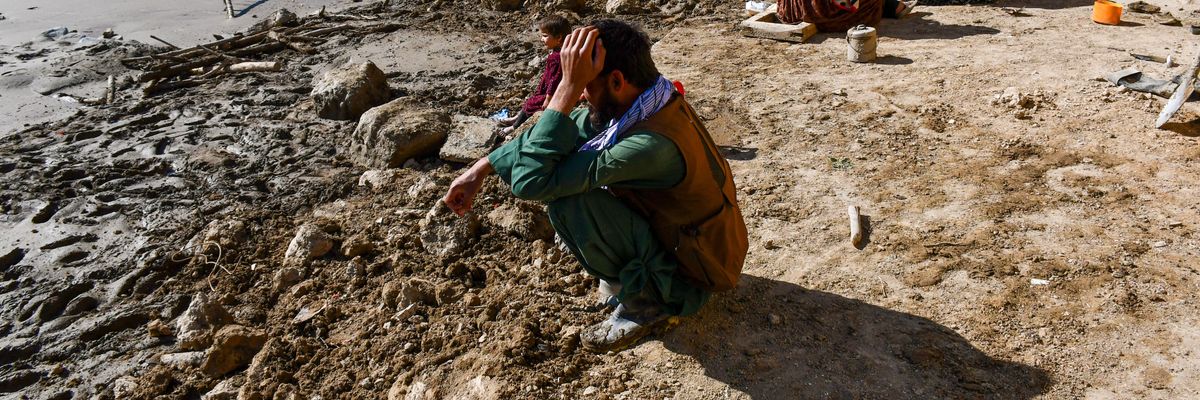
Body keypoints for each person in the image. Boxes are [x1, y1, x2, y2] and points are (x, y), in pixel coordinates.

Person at [443, 19, 748, 352]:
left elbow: (532, 181)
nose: (581, 97)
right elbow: (565, 129)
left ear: (615, 80)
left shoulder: (648, 144)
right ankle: (638, 277)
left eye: (585, 86)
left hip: (695, 277)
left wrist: (565, 90)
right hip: (696, 245)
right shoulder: (650, 99)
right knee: (568, 161)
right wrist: (481, 168)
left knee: (568, 203)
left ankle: (649, 302)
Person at [496, 15, 571, 137]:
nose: (541, 39)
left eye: (545, 36)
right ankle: (516, 118)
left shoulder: (558, 57)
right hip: (545, 87)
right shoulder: (557, 52)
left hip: (551, 91)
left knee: (532, 104)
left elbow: (555, 78)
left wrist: (548, 98)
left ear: (559, 38)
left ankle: (513, 127)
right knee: (530, 100)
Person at [776, 0, 916, 32]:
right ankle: (893, 7)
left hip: (791, 11)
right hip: (824, 15)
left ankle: (892, 5)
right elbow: (850, 4)